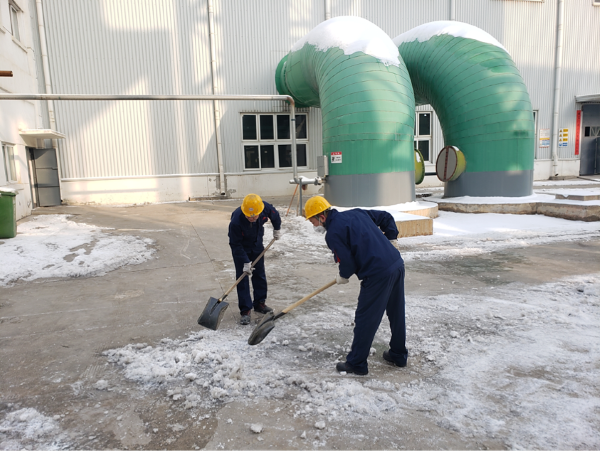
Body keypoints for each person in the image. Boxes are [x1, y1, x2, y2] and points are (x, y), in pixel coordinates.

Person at [304, 196, 408, 375]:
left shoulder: (333, 234)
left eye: (312, 221)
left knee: (365, 318)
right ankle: (398, 355)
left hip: (377, 274)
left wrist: (342, 275)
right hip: (396, 265)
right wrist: (392, 240)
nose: (313, 225)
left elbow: (348, 264)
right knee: (396, 312)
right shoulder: (356, 213)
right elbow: (386, 217)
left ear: (321, 217)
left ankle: (357, 363)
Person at [229, 193, 282, 325]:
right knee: (242, 277)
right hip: (241, 248)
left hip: (257, 244)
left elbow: (275, 215)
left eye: (254, 216)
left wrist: (277, 229)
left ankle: (259, 303)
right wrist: (245, 261)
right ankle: (245, 310)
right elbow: (235, 244)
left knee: (259, 274)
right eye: (249, 216)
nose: (252, 218)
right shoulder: (236, 221)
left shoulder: (264, 207)